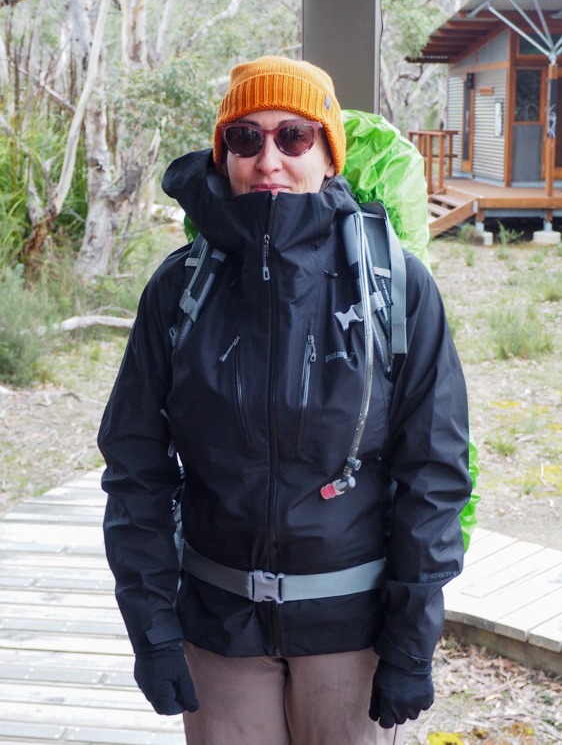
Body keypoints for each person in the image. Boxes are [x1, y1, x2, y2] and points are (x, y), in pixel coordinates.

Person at [99, 56, 472, 745]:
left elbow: (435, 472)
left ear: (329, 155)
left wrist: (412, 641)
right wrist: (151, 630)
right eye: (244, 138)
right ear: (224, 156)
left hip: (351, 631)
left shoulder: (397, 285)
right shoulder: (180, 291)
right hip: (217, 628)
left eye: (294, 136)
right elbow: (134, 469)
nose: (268, 158)